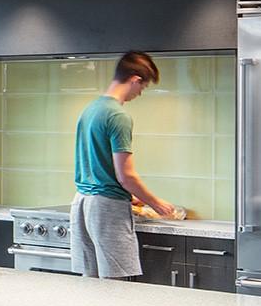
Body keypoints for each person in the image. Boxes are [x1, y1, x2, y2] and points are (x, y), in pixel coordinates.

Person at [69, 51, 179, 280]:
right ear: (135, 79)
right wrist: (157, 204)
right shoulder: (118, 115)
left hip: (82, 203)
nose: (140, 93)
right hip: (106, 208)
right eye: (143, 87)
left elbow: (99, 166)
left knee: (91, 283)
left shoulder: (90, 110)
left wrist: (131, 197)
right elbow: (125, 176)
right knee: (116, 287)